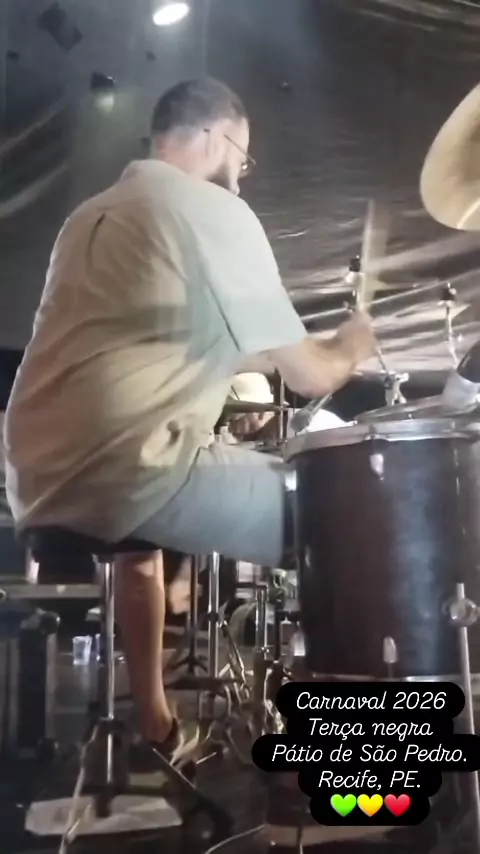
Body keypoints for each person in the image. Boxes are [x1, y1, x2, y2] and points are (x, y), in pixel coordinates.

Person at [3, 78, 377, 765]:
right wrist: (351, 344)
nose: (242, 173)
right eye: (244, 155)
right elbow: (312, 378)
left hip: (35, 469)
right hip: (130, 466)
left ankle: (156, 723)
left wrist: (295, 347)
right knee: (345, 516)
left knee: (139, 553)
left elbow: (164, 337)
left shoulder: (91, 214)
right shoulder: (212, 209)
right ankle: (344, 751)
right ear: (216, 135)